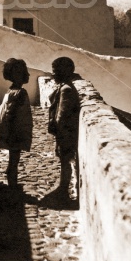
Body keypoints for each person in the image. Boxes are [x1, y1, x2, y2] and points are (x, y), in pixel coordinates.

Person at [0, 58, 33, 187]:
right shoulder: (20, 93)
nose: (28, 75)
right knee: (14, 159)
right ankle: (12, 183)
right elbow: (11, 113)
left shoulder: (11, 90)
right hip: (15, 131)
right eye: (25, 72)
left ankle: (11, 178)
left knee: (13, 157)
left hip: (12, 129)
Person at [48, 57, 80, 199]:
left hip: (65, 133)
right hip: (65, 132)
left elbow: (62, 114)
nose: (53, 74)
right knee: (64, 160)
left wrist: (58, 131)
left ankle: (63, 189)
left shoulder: (66, 90)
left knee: (65, 160)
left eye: (55, 72)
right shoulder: (64, 86)